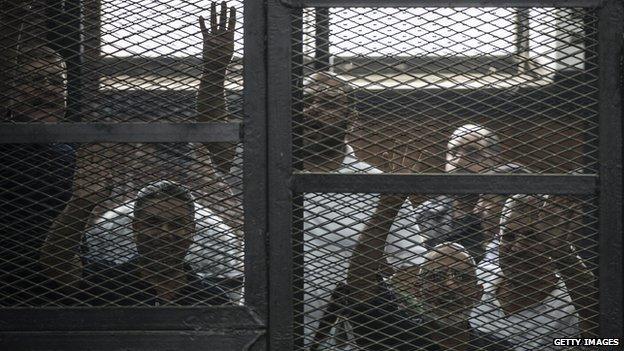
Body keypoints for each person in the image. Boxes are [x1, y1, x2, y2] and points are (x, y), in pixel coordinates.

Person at [79, 2, 244, 299]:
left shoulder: (110, 225)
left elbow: (226, 302)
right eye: (153, 223)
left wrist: (215, 70)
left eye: (149, 160)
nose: (165, 233)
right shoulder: (109, 226)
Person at [300, 71, 426, 346]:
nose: (313, 110)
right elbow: (217, 146)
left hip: (346, 339)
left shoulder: (378, 186)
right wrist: (214, 71)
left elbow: (411, 271)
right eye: (306, 101)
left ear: (351, 119)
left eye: (329, 104)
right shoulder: (266, 168)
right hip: (267, 334)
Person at [314, 194, 513, 350]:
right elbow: (360, 275)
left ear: (478, 293)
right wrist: (389, 205)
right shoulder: (392, 335)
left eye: (462, 278)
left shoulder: (498, 348)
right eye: (436, 277)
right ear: (417, 290)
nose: (450, 285)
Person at [40, 145, 231, 306]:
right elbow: (56, 264)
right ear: (135, 227)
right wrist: (81, 203)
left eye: (176, 224)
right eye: (153, 222)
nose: (165, 233)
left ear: (192, 230)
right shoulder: (108, 282)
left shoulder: (213, 299)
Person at [470, 194, 597, 351]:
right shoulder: (480, 277)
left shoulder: (571, 307)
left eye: (533, 237)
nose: (517, 247)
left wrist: (562, 253)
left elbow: (610, 339)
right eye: (509, 236)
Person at [0, 43, 76, 306]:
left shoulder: (70, 153)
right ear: (10, 95)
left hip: (61, 293)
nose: (47, 89)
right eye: (35, 80)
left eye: (56, 82)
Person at [389, 124, 505, 264]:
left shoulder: (504, 213)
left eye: (472, 152)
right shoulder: (426, 214)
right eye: (453, 153)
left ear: (495, 160)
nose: (459, 161)